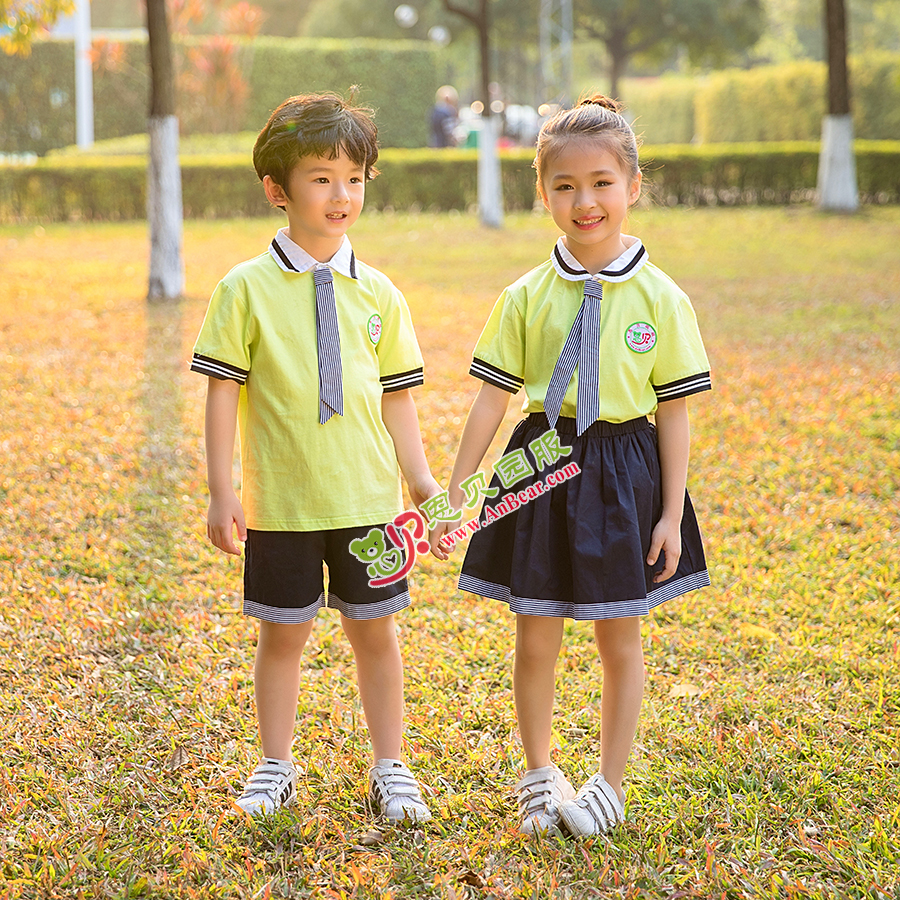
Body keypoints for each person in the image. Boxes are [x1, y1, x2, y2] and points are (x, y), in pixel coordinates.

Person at [431, 95, 712, 837]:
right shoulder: (525, 296)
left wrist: (670, 514)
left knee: (620, 634)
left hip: (625, 468)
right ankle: (538, 771)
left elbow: (674, 414)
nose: (584, 201)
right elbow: (493, 399)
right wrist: (458, 487)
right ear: (543, 192)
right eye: (564, 186)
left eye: (601, 183)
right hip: (541, 457)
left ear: (632, 186)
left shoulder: (663, 297)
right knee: (536, 632)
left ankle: (608, 785)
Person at [191, 92, 441, 823]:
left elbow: (398, 397)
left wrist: (420, 478)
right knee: (283, 637)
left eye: (355, 178)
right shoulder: (244, 290)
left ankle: (390, 767)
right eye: (322, 177)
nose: (342, 195)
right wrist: (219, 489)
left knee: (377, 635)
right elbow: (220, 395)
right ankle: (275, 765)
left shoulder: (382, 294)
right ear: (278, 189)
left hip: (368, 499)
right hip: (283, 502)